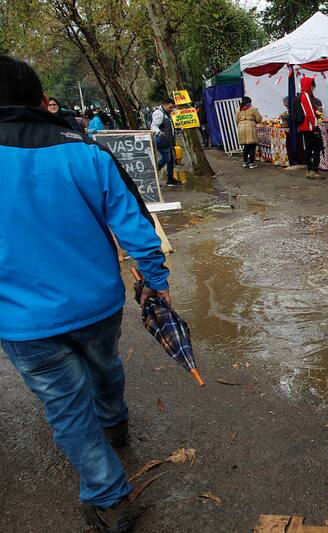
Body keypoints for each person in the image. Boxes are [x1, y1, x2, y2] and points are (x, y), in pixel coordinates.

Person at [0, 55, 171, 532]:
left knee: (66, 408)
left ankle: (109, 498)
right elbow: (136, 226)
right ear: (42, 101)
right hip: (97, 303)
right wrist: (156, 282)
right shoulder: (87, 152)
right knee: (105, 365)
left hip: (22, 320)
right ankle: (115, 422)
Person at [150, 97, 180, 186]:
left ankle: (170, 179)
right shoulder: (159, 113)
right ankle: (152, 175)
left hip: (168, 141)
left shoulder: (166, 113)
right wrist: (159, 133)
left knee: (171, 160)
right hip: (162, 141)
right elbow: (153, 126)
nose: (171, 109)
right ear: (165, 104)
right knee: (167, 159)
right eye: (170, 107)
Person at [298, 76, 323, 179]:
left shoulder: (302, 95)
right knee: (316, 148)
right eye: (312, 86)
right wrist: (315, 125)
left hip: (305, 127)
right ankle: (314, 170)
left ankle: (309, 170)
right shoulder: (306, 95)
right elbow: (310, 113)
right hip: (310, 127)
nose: (313, 88)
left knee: (308, 149)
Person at [236, 96, 262, 169]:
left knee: (246, 146)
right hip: (250, 127)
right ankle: (251, 163)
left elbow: (236, 120)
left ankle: (245, 162)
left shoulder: (238, 109)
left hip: (241, 127)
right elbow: (258, 119)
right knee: (252, 146)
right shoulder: (253, 108)